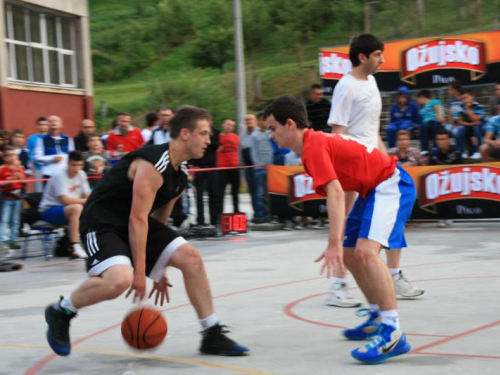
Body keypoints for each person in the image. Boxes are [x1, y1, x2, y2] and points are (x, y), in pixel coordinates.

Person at [43, 105, 249, 358]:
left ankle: (212, 334)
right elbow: (137, 219)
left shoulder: (180, 174)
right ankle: (62, 310)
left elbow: (156, 223)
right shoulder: (153, 163)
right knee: (121, 280)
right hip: (102, 223)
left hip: (134, 222)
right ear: (185, 133)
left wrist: (158, 266)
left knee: (191, 259)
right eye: (204, 133)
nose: (209, 140)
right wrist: (141, 271)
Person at [264, 95, 414, 364]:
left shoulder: (312, 148)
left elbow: (333, 191)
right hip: (371, 190)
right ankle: (377, 314)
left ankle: (393, 333)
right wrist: (341, 237)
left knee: (366, 253)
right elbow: (343, 185)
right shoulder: (315, 143)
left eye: (272, 128)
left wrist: (333, 241)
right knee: (350, 254)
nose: (271, 135)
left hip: (390, 184)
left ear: (289, 124)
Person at [327, 34, 422, 307]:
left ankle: (393, 275)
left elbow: (372, 130)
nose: (383, 59)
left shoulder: (372, 82)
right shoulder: (346, 87)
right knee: (345, 226)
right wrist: (343, 177)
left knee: (391, 220)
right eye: (378, 54)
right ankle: (337, 285)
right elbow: (338, 135)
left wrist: (386, 161)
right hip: (353, 170)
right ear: (363, 57)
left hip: (375, 167)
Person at [38, 151, 90, 260]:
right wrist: (87, 201)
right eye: (74, 165)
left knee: (93, 207)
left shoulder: (82, 174)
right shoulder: (59, 176)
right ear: (68, 163)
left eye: (79, 165)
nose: (76, 168)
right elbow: (66, 200)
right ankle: (75, 246)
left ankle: (94, 243)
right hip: (49, 210)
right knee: (76, 208)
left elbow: (87, 195)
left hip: (68, 209)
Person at [190, 125, 220, 227]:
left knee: (214, 194)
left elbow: (215, 145)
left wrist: (208, 134)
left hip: (212, 167)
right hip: (199, 167)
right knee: (199, 196)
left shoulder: (215, 131)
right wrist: (193, 163)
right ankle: (200, 220)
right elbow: (193, 147)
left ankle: (214, 220)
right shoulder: (196, 132)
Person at [0, 147, 26, 251]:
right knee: (4, 220)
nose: (12, 157)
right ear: (5, 158)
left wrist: (20, 176)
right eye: (9, 155)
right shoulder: (2, 169)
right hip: (7, 197)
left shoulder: (19, 168)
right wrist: (7, 183)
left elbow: (24, 181)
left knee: (15, 221)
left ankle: (13, 240)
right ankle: (1, 241)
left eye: (13, 155)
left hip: (17, 197)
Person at [249, 113, 273, 223]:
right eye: (262, 120)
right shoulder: (254, 135)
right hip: (259, 168)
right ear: (258, 122)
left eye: (265, 120)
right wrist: (258, 164)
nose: (264, 123)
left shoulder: (270, 133)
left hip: (271, 168)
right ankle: (260, 214)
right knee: (259, 193)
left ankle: (270, 214)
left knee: (270, 193)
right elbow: (253, 152)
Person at [217, 119, 240, 214]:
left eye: (232, 125)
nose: (229, 126)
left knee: (235, 192)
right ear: (223, 125)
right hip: (222, 168)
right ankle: (220, 213)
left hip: (234, 167)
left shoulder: (236, 137)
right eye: (228, 124)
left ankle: (236, 211)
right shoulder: (218, 137)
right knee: (220, 193)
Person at [457, 90, 485, 159]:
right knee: (460, 129)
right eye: (463, 98)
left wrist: (468, 110)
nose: (464, 100)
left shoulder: (478, 105)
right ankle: (462, 152)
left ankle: (479, 152)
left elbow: (477, 120)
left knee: (475, 128)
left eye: (466, 98)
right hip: (469, 125)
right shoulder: (461, 106)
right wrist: (471, 124)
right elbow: (460, 121)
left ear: (472, 97)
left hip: (481, 125)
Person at [240, 114, 257, 214]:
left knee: (260, 192)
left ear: (255, 121)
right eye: (247, 120)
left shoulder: (260, 132)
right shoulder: (242, 135)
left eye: (251, 119)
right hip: (248, 168)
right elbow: (240, 150)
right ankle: (256, 213)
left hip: (258, 167)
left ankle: (264, 213)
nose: (249, 121)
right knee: (252, 192)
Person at [27, 117, 48, 192]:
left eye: (45, 125)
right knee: (39, 191)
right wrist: (35, 159)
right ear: (36, 126)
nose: (43, 126)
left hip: (49, 168)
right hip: (37, 169)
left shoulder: (50, 138)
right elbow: (29, 153)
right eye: (40, 124)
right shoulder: (31, 138)